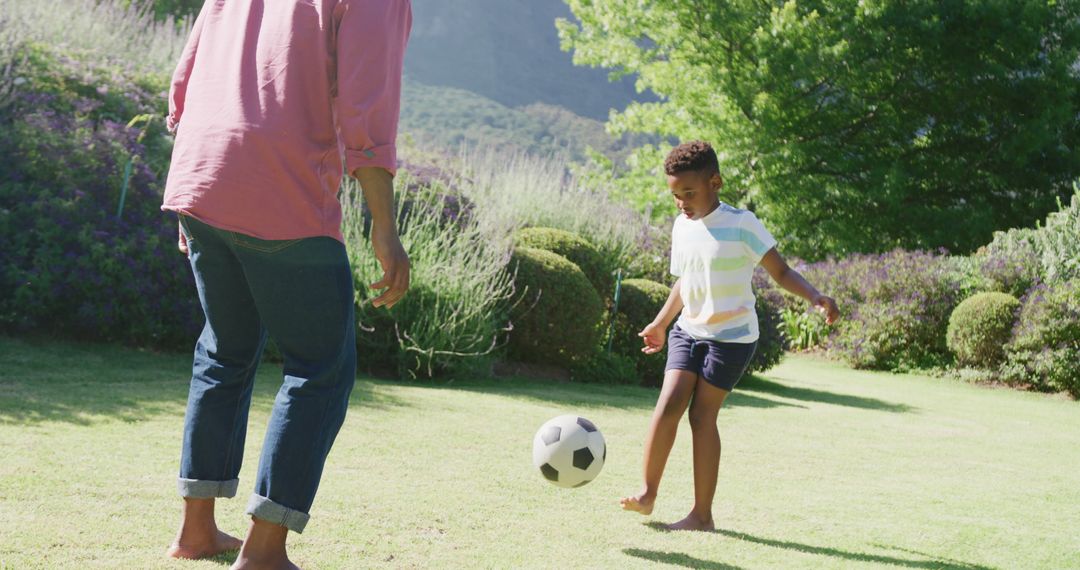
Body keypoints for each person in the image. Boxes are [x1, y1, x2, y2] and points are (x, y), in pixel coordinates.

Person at [160, 1, 412, 568]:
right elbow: (366, 103)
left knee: (223, 351)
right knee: (321, 368)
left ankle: (195, 533)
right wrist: (384, 227)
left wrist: (199, 181)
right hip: (280, 185)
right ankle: (265, 549)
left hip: (202, 168)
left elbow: (188, 71)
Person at [620, 141, 839, 531]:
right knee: (668, 403)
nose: (682, 202)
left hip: (732, 337)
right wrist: (661, 323)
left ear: (715, 182)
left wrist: (815, 296)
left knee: (702, 417)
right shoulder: (681, 226)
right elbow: (684, 283)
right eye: (675, 195)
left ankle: (701, 516)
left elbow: (782, 272)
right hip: (689, 329)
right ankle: (647, 494)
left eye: (689, 193)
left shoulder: (741, 224)